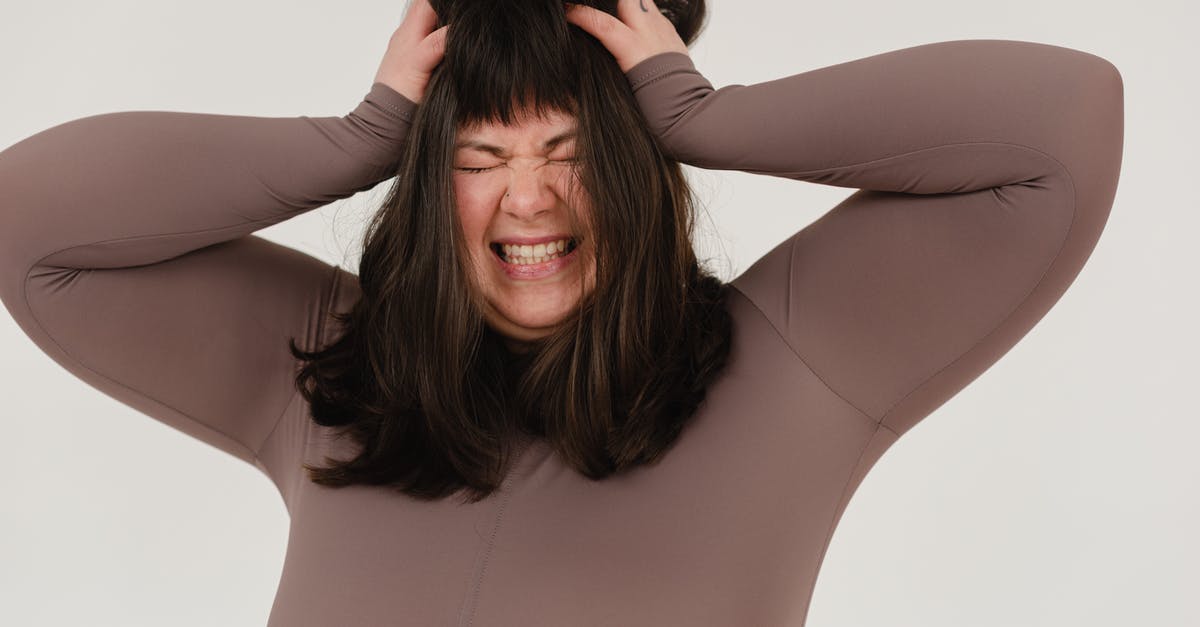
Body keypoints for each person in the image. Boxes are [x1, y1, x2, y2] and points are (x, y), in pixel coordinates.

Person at [0, 0, 1123, 624]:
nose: (528, 197)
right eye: (481, 155)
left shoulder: (792, 366)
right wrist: (357, 140)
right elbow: (30, 224)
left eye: (574, 152)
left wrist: (706, 115)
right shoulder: (331, 380)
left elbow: (1063, 125)